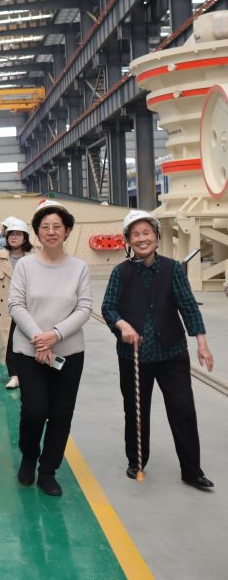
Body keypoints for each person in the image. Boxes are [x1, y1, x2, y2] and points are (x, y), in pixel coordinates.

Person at [101, 209, 215, 490]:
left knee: (183, 409)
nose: (142, 239)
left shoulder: (172, 268)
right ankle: (137, 461)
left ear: (156, 237)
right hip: (134, 356)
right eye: (135, 234)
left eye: (147, 233)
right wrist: (122, 325)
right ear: (128, 240)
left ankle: (192, 471)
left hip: (172, 353)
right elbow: (108, 308)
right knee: (136, 411)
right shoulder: (121, 272)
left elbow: (188, 305)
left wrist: (201, 343)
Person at [7, 200, 92, 496]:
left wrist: (55, 335)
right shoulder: (25, 266)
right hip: (29, 352)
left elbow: (84, 308)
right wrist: (39, 338)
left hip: (68, 352)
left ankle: (48, 470)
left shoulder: (79, 268)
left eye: (57, 226)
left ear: (67, 231)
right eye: (45, 227)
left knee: (60, 413)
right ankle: (29, 456)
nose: (51, 231)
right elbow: (15, 304)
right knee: (34, 410)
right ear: (37, 232)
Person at [0, 217, 32, 390]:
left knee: (28, 340)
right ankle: (14, 375)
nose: (13, 237)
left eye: (18, 234)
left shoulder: (33, 257)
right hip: (5, 308)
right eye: (11, 234)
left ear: (25, 237)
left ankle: (27, 373)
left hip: (27, 308)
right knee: (8, 342)